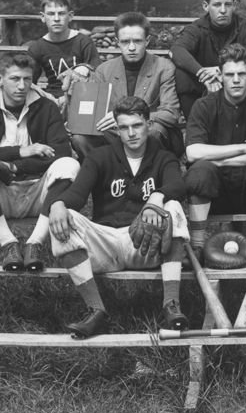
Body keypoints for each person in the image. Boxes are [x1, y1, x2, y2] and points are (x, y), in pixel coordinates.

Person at [46, 96, 191, 339]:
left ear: (148, 123)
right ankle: (96, 311)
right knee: (63, 216)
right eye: (124, 127)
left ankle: (171, 305)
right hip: (107, 244)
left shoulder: (163, 156)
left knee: (173, 206)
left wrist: (157, 198)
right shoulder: (100, 156)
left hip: (144, 244)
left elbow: (178, 185)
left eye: (137, 125)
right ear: (116, 128)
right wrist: (57, 204)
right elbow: (78, 195)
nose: (131, 133)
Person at [0, 52, 80, 271]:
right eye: (15, 79)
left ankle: (34, 244)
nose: (22, 86)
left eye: (27, 79)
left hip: (39, 195)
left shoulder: (46, 107)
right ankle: (9, 245)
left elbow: (61, 152)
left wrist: (14, 166)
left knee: (70, 166)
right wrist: (22, 151)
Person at [183, 43, 246, 269]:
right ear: (220, 75)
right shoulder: (203, 106)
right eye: (230, 74)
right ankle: (197, 249)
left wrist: (215, 156)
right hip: (214, 192)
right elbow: (192, 153)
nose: (236, 80)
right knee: (200, 170)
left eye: (241, 74)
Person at [71, 11, 182, 159]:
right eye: (125, 42)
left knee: (153, 131)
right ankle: (104, 173)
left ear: (147, 41)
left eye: (137, 41)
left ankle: (149, 174)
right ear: (117, 42)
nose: (131, 47)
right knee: (80, 137)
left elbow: (171, 114)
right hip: (116, 132)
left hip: (148, 130)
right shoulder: (104, 70)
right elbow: (94, 115)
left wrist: (131, 117)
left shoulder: (163, 67)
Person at [25, 0, 100, 101]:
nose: (56, 19)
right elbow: (28, 81)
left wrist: (86, 67)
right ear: (43, 17)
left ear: (70, 16)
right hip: (52, 99)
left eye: (61, 14)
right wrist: (46, 97)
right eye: (51, 14)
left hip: (82, 96)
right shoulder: (37, 47)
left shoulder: (83, 42)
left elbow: (99, 75)